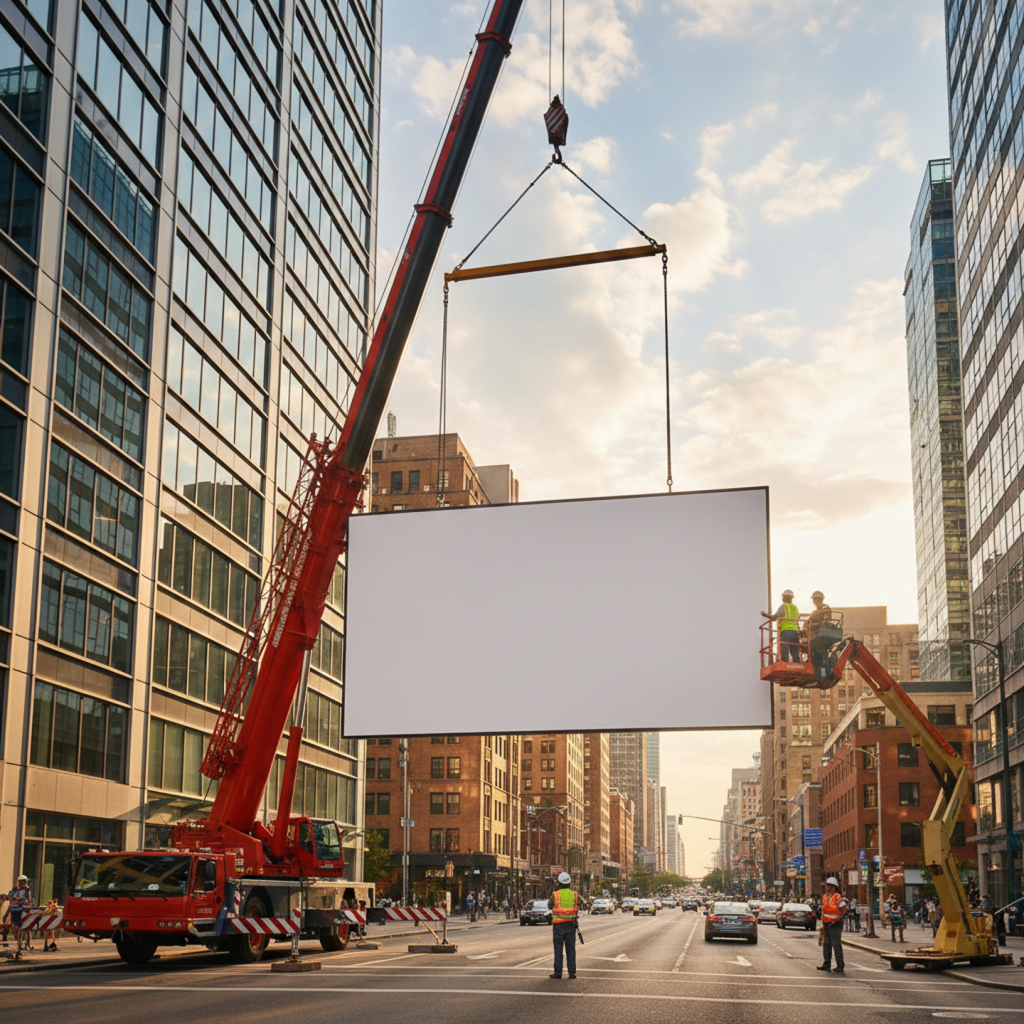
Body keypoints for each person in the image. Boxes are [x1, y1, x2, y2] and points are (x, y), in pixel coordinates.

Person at [547, 871, 580, 980]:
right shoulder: (574, 894)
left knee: (558, 949)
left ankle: (558, 972)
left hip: (558, 926)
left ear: (559, 883)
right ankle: (572, 973)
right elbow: (578, 905)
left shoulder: (555, 894)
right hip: (571, 925)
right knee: (571, 949)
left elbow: (549, 906)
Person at [817, 877, 848, 974]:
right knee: (826, 944)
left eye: (827, 885)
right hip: (826, 924)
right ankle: (827, 964)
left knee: (836, 945)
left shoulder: (837, 897)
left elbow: (844, 910)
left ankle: (840, 965)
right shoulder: (825, 896)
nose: (826, 887)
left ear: (832, 886)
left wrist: (837, 919)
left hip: (835, 925)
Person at [762, 590, 800, 662]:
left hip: (785, 631)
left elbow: (774, 617)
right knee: (795, 651)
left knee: (784, 650)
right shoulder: (795, 608)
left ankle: (785, 663)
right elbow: (798, 618)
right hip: (795, 632)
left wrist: (765, 614)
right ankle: (797, 664)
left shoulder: (784, 606)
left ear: (785, 598)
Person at [7, 875, 31, 954]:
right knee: (15, 927)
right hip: (14, 909)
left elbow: (27, 899)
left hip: (22, 910)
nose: (22, 883)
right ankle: (18, 941)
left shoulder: (27, 890)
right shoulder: (15, 889)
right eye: (21, 882)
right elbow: (10, 895)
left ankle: (19, 944)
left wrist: (18, 899)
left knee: (19, 927)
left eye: (24, 882)